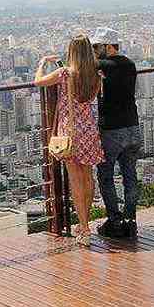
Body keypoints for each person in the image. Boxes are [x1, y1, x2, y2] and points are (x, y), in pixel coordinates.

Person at [35, 34, 104, 246]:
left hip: (70, 131)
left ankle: (83, 227)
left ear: (72, 52)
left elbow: (38, 81)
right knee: (88, 176)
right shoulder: (96, 74)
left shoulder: (65, 73)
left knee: (75, 179)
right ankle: (87, 221)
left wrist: (43, 63)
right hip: (89, 129)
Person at [91, 27, 142, 240]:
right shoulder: (130, 64)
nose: (94, 51)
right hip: (132, 126)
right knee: (130, 175)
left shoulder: (101, 66)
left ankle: (115, 220)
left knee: (106, 176)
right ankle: (130, 219)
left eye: (97, 47)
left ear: (108, 46)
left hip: (111, 129)